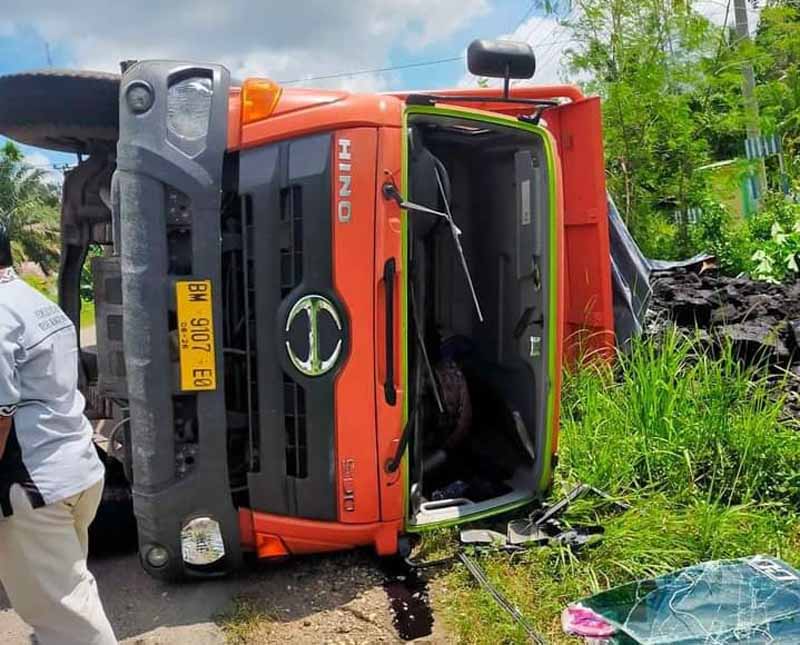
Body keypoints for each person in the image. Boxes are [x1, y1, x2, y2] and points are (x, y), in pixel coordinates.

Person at [0, 224, 117, 645]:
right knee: (70, 595)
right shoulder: (32, 301)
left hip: (31, 487)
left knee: (67, 618)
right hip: (76, 469)